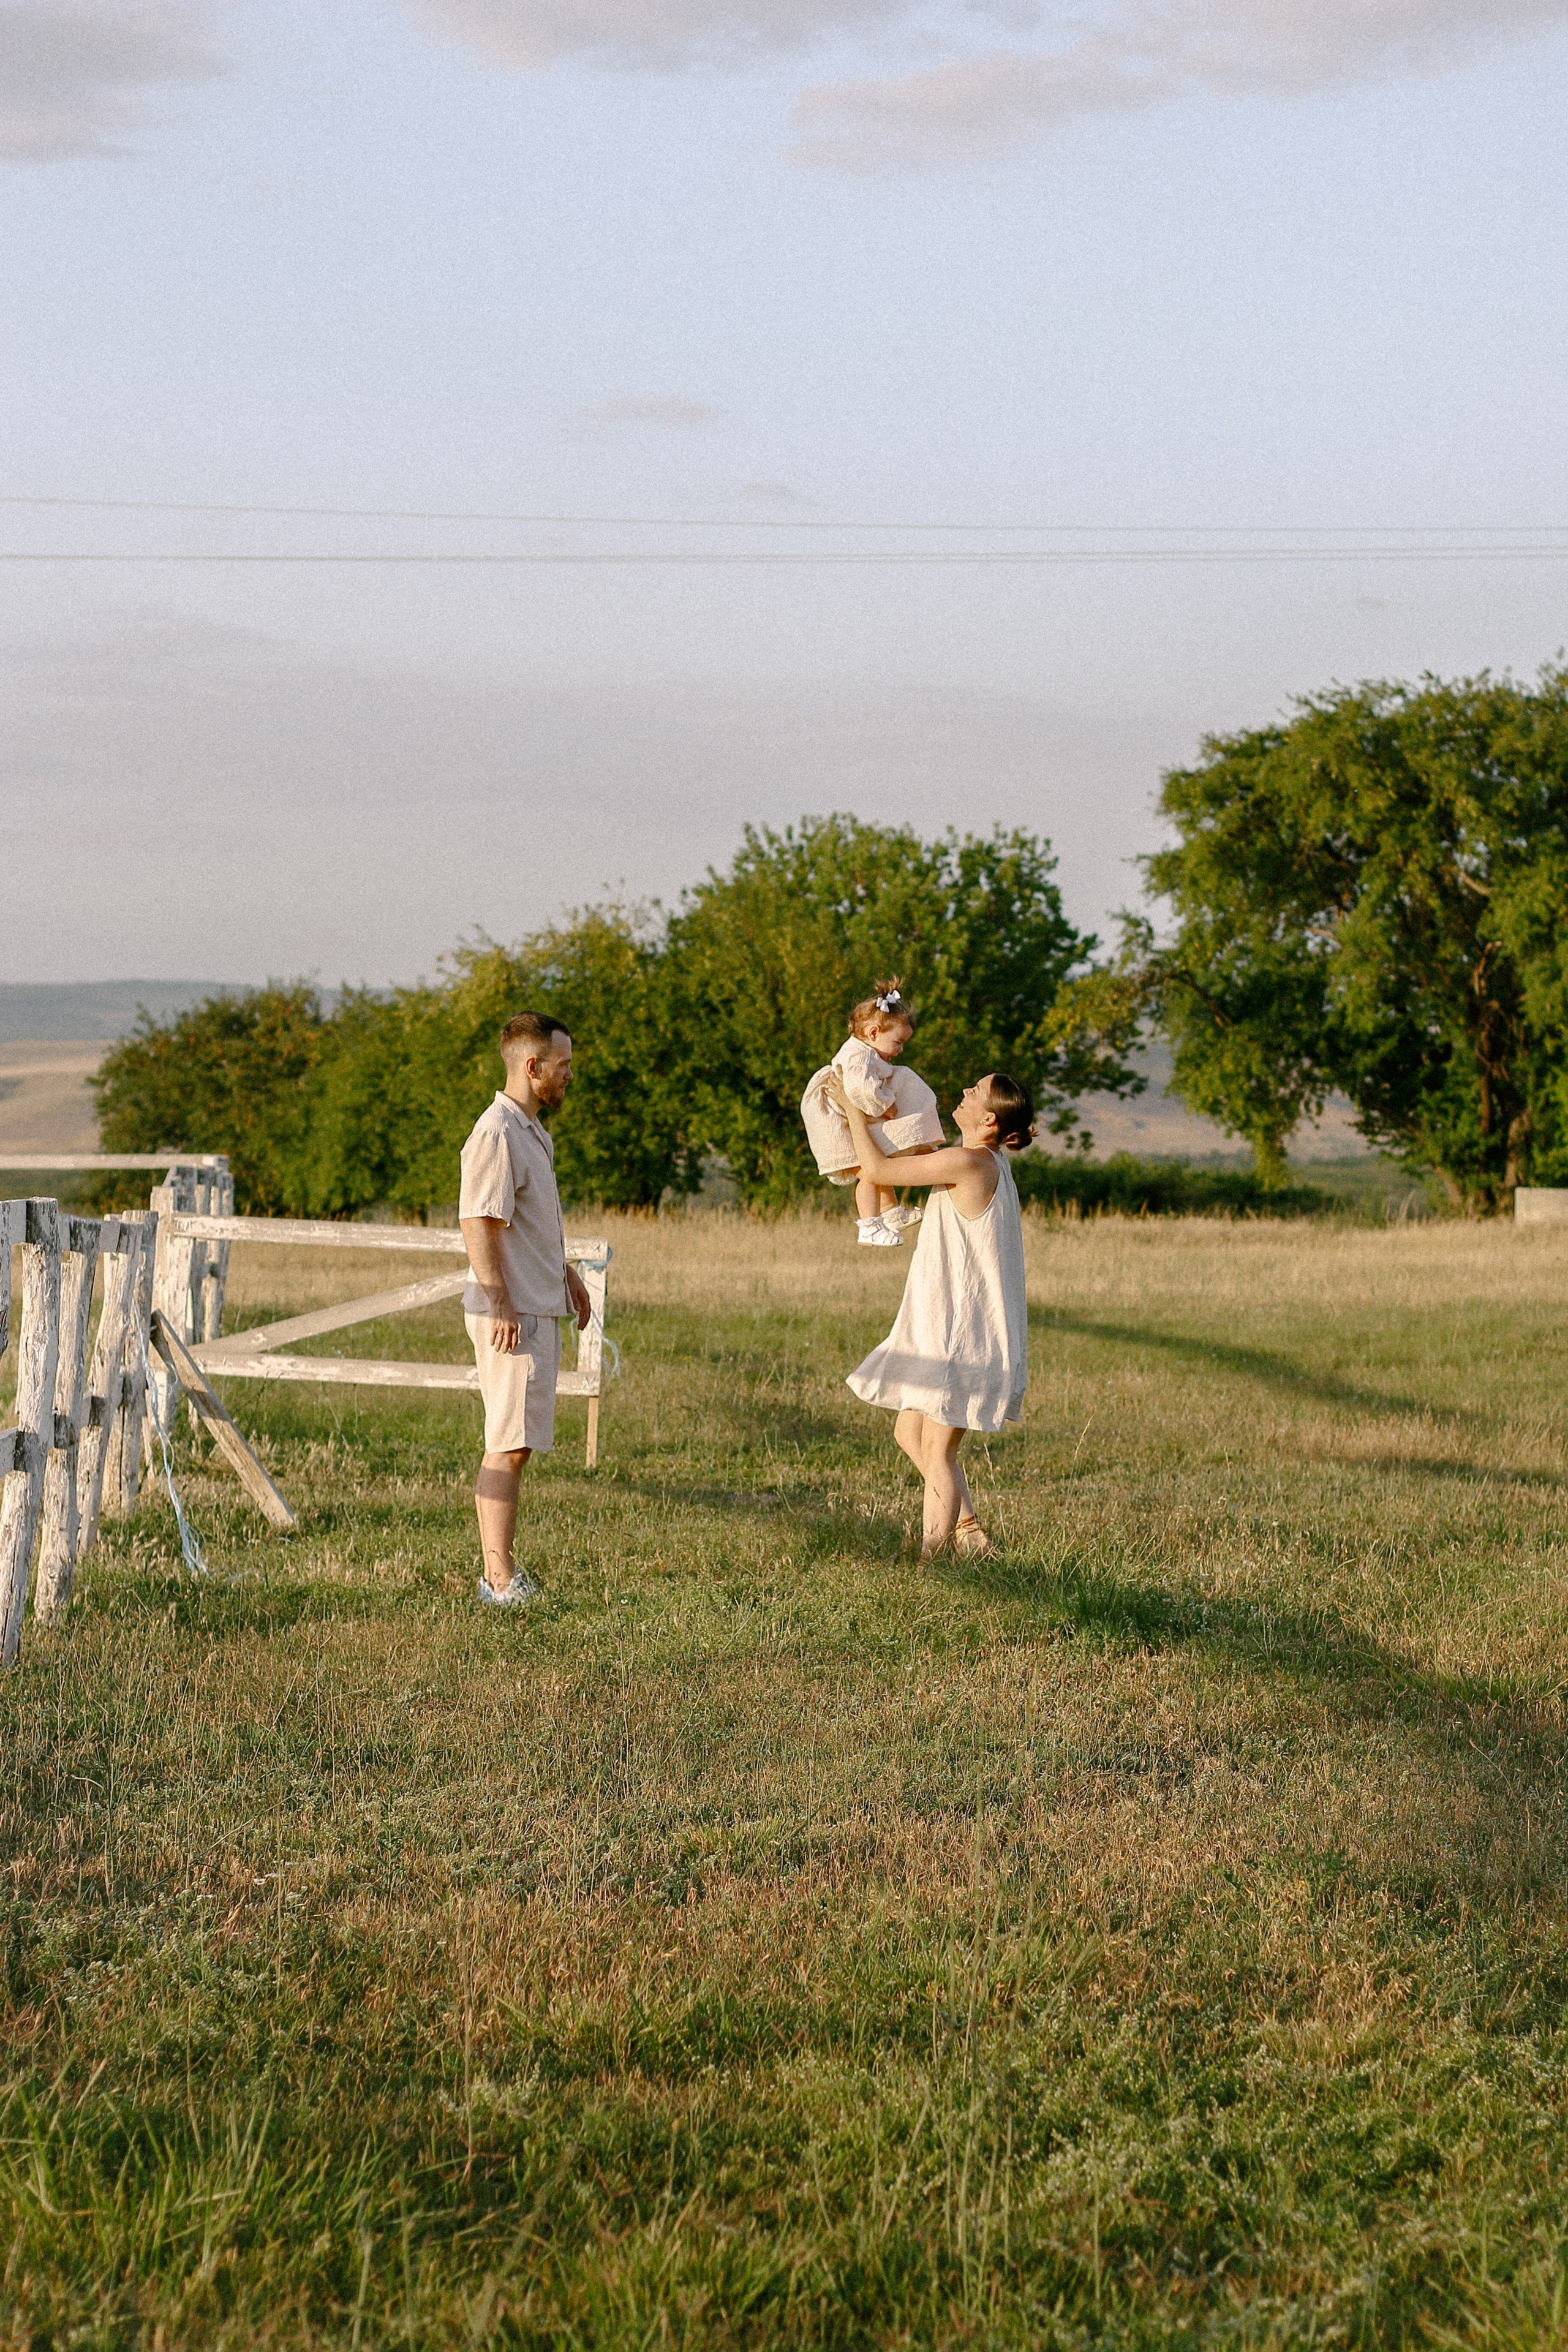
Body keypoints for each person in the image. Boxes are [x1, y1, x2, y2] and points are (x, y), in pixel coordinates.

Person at [827, 1066, 1035, 1559]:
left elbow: (877, 1171)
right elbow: (912, 1158)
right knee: (909, 1432)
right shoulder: (975, 1161)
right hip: (952, 1327)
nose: (964, 1091)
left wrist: (855, 1106)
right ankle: (971, 1533)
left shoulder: (973, 1164)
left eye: (975, 1091)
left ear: (987, 1121)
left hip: (964, 1336)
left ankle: (931, 1560)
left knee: (939, 1450)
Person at [458, 1012, 593, 1609]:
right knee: (506, 1444)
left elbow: (523, 1223)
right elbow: (477, 1223)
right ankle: (498, 1582)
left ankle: (501, 1575)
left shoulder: (532, 1131)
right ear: (532, 1067)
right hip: (511, 1313)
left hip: (537, 1305)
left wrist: (566, 1274)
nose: (569, 1077)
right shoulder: (496, 1133)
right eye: (562, 1067)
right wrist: (499, 1302)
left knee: (517, 1442)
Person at [800, 979, 945, 1246]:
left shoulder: (866, 1052)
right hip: (837, 1119)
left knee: (880, 1159)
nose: (900, 1050)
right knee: (869, 1171)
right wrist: (886, 1107)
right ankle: (869, 1225)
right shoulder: (861, 1057)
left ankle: (891, 1213)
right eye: (898, 1042)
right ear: (875, 1033)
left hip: (844, 1116)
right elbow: (861, 1090)